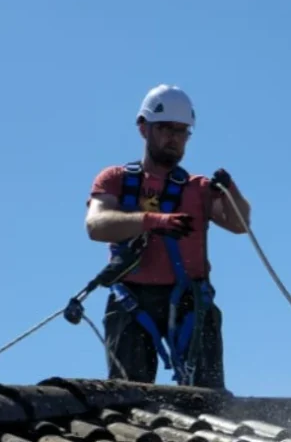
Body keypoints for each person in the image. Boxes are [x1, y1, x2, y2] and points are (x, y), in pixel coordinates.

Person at [83, 84, 251, 388]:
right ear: (143, 128)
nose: (174, 137)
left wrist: (230, 191)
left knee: (207, 396)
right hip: (132, 299)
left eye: (181, 131)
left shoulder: (198, 188)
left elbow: (240, 224)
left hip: (190, 300)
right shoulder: (116, 180)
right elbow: (96, 224)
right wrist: (153, 221)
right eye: (165, 128)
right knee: (129, 396)